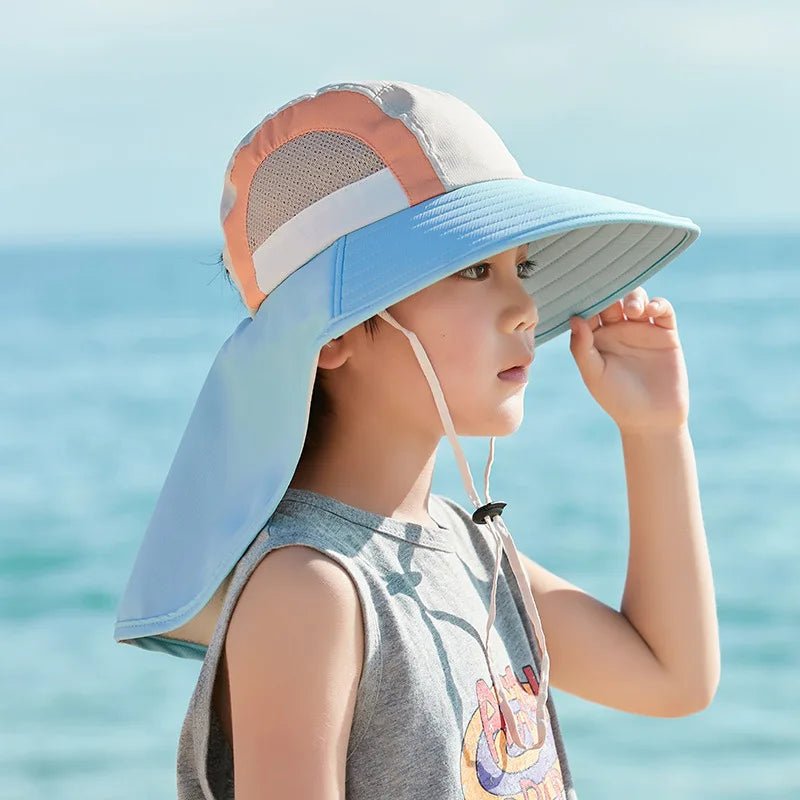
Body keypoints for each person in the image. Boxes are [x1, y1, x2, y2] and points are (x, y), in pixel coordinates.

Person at [114, 79, 719, 799]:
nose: (525, 306)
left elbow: (671, 676)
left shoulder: (470, 553)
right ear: (331, 332)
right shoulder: (311, 589)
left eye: (518, 268)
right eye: (473, 268)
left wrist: (654, 432)